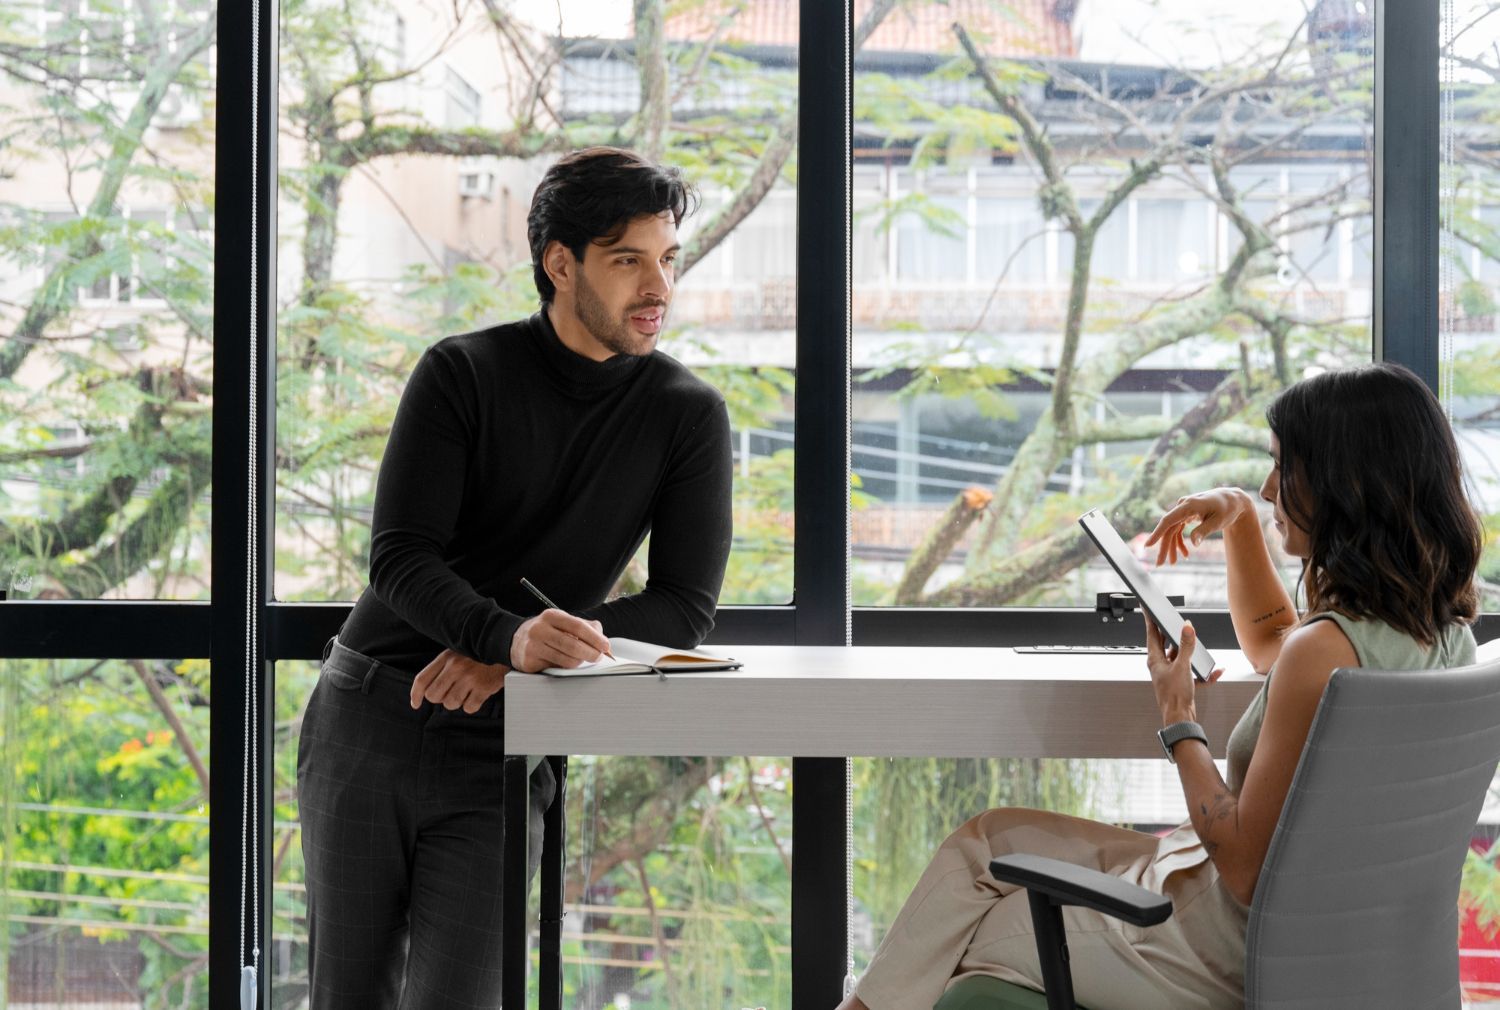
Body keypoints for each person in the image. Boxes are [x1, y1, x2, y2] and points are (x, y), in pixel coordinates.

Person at [837, 362, 1483, 1010]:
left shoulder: (1320, 653)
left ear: (1343, 482)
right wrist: (1237, 522)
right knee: (986, 841)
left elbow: (1245, 868)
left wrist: (1179, 716)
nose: (1266, 488)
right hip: (1338, 952)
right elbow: (1271, 644)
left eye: (1282, 468)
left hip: (1218, 948)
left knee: (973, 939)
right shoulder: (1444, 640)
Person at [296, 147, 733, 1009]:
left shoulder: (687, 416)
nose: (658, 287)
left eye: (667, 259)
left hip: (507, 733)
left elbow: (684, 608)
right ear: (559, 263)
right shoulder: (461, 373)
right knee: (345, 997)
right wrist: (508, 636)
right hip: (371, 714)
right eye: (628, 261)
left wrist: (519, 661)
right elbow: (399, 557)